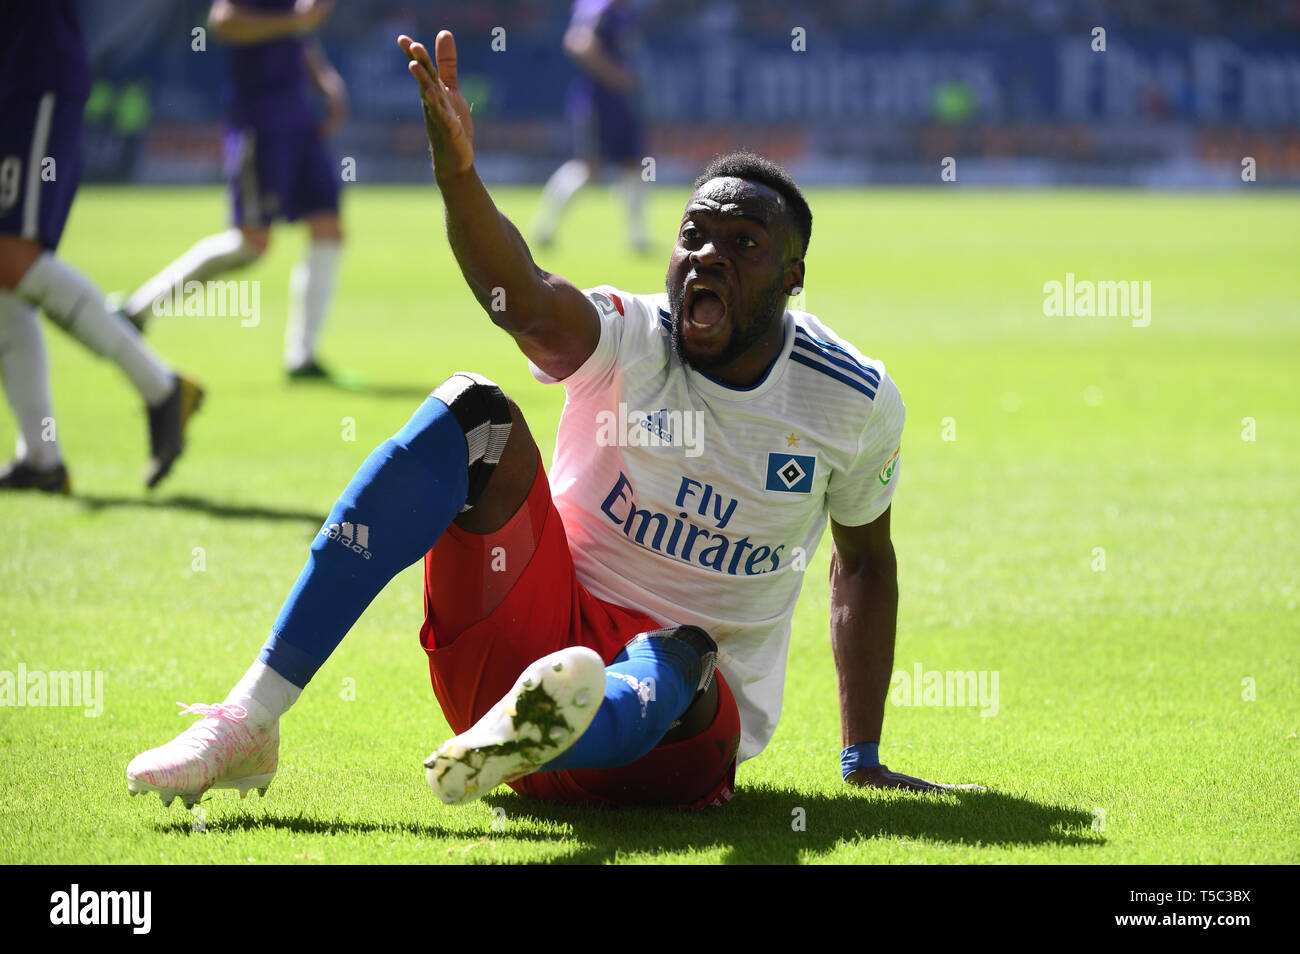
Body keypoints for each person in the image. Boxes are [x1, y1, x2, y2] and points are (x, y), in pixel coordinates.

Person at [127, 30, 976, 811]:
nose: (708, 254)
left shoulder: (851, 397)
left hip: (675, 738)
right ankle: (249, 721)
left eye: (743, 243)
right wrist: (458, 172)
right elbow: (522, 299)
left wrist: (861, 756)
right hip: (522, 648)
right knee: (473, 413)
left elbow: (863, 563)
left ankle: (552, 727)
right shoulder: (631, 335)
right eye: (693, 235)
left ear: (793, 279)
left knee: (682, 647)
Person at [0, 1, 202, 493]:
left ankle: (161, 388)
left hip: (32, 74)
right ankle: (41, 456)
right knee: (4, 276)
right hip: (17, 74)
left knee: (12, 256)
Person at [119, 0, 348, 380]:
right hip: (259, 122)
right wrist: (297, 19)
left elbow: (299, 34)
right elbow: (223, 21)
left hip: (299, 119)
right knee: (251, 243)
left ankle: (302, 358)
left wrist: (326, 81)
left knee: (328, 228)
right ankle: (136, 311)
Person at [532, 0, 648, 253]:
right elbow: (579, 43)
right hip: (598, 103)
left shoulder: (623, 11)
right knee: (588, 168)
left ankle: (637, 237)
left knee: (632, 164)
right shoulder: (599, 8)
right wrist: (615, 75)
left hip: (621, 103)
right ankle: (545, 228)